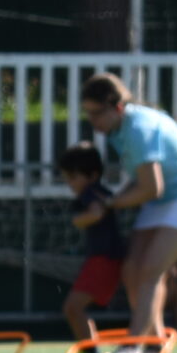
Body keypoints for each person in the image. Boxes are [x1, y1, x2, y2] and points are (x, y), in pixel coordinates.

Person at [80, 72, 177, 353]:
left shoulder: (139, 127)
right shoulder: (118, 130)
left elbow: (152, 187)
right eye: (87, 112)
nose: (92, 120)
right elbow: (142, 183)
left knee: (150, 271)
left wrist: (109, 204)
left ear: (116, 107)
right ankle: (155, 350)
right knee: (132, 271)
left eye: (96, 112)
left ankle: (133, 349)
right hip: (161, 202)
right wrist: (112, 200)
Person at [56, 142, 124, 342]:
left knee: (72, 307)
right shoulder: (100, 192)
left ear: (93, 175)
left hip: (103, 260)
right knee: (74, 308)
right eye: (67, 178)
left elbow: (96, 213)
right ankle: (90, 349)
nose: (70, 183)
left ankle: (90, 351)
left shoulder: (90, 193)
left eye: (73, 177)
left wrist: (78, 220)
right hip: (104, 258)